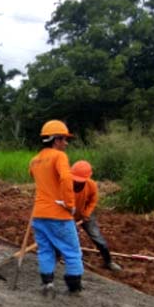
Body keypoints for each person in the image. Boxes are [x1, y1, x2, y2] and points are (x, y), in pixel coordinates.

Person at [29, 120, 84, 296]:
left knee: (45, 250)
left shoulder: (35, 160)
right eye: (64, 140)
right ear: (56, 139)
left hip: (39, 214)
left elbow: (36, 179)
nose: (66, 143)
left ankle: (47, 283)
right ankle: (74, 286)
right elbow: (66, 179)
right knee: (72, 251)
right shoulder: (59, 157)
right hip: (58, 214)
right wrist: (70, 204)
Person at [70, 160, 122, 272]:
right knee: (68, 237)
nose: (77, 182)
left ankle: (108, 261)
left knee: (97, 237)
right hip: (68, 216)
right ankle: (61, 257)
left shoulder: (91, 185)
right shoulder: (65, 184)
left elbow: (93, 201)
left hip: (85, 214)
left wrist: (86, 213)